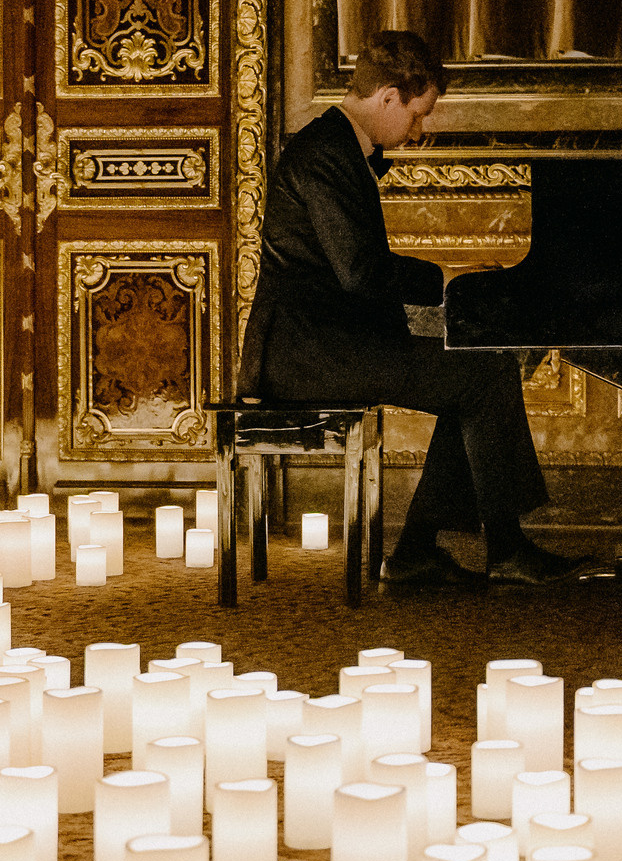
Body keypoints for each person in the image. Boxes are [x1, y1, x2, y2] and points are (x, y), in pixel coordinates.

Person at [238, 30, 584, 586]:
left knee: (473, 372)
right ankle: (498, 548)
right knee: (482, 372)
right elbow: (361, 273)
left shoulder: (336, 146)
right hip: (303, 353)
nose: (419, 132)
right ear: (390, 98)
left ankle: (427, 549)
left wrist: (444, 286)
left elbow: (357, 271)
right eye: (418, 115)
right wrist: (447, 278)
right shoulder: (325, 153)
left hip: (327, 341)